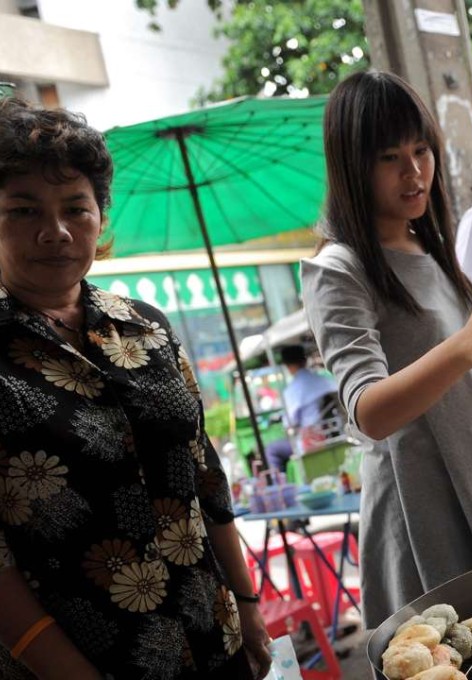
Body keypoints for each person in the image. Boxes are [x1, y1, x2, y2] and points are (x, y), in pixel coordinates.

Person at [0, 98, 271, 678]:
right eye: (23, 211)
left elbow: (206, 475)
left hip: (212, 639)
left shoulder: (147, 327)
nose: (55, 231)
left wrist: (248, 606)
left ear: (101, 218)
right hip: (83, 663)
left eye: (77, 207)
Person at [300, 70, 472, 628]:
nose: (414, 170)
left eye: (421, 149)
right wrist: (465, 346)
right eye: (389, 157)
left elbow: (470, 364)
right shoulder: (338, 269)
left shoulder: (430, 243)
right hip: (427, 506)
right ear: (352, 164)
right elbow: (369, 411)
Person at [263, 344, 338, 471]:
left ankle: (281, 484)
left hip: (311, 441)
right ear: (305, 360)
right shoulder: (326, 380)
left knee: (271, 450)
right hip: (337, 432)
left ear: (287, 366)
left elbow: (290, 424)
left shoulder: (292, 391)